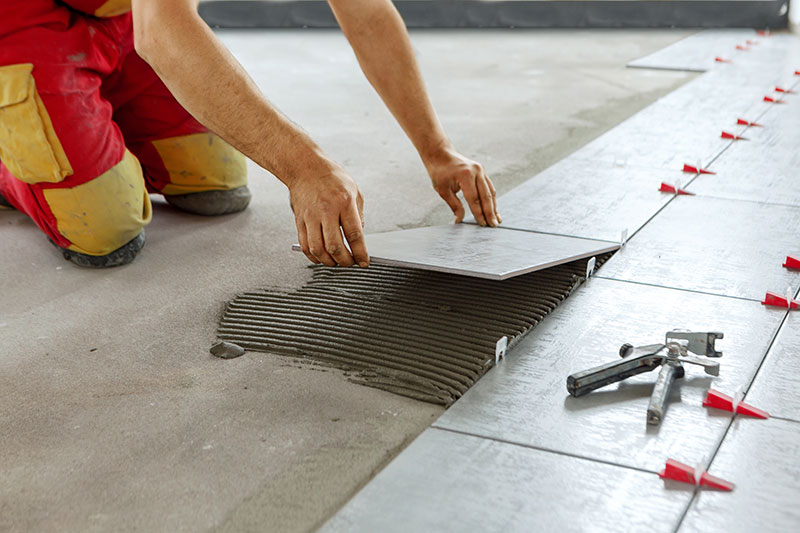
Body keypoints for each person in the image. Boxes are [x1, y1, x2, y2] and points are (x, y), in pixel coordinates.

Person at [0, 0, 501, 268]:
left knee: (214, 183)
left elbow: (366, 16)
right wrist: (305, 167)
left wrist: (436, 149)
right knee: (103, 226)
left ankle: (85, 113)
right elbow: (161, 34)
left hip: (121, 11)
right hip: (23, 15)